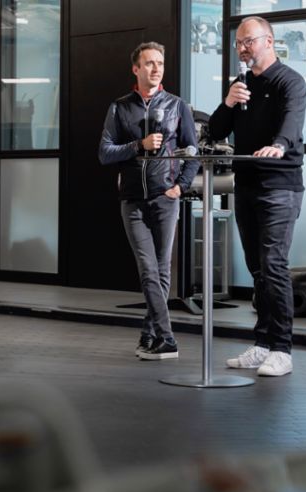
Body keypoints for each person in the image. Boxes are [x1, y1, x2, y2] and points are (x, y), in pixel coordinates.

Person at [208, 16, 306, 377]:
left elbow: (292, 125)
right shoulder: (241, 84)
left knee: (273, 265)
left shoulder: (290, 81)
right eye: (238, 43)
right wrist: (229, 102)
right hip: (246, 185)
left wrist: (279, 146)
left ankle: (282, 349)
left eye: (248, 41)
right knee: (257, 268)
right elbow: (217, 130)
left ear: (269, 41)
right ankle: (263, 343)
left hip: (280, 186)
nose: (243, 48)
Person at [99, 41, 200, 361]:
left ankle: (149, 333)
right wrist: (138, 145)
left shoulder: (176, 105)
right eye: (149, 63)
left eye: (160, 63)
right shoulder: (120, 107)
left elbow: (193, 152)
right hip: (132, 200)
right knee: (148, 268)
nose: (156, 68)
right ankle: (167, 337)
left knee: (160, 270)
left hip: (165, 198)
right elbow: (104, 153)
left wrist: (181, 186)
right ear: (136, 68)